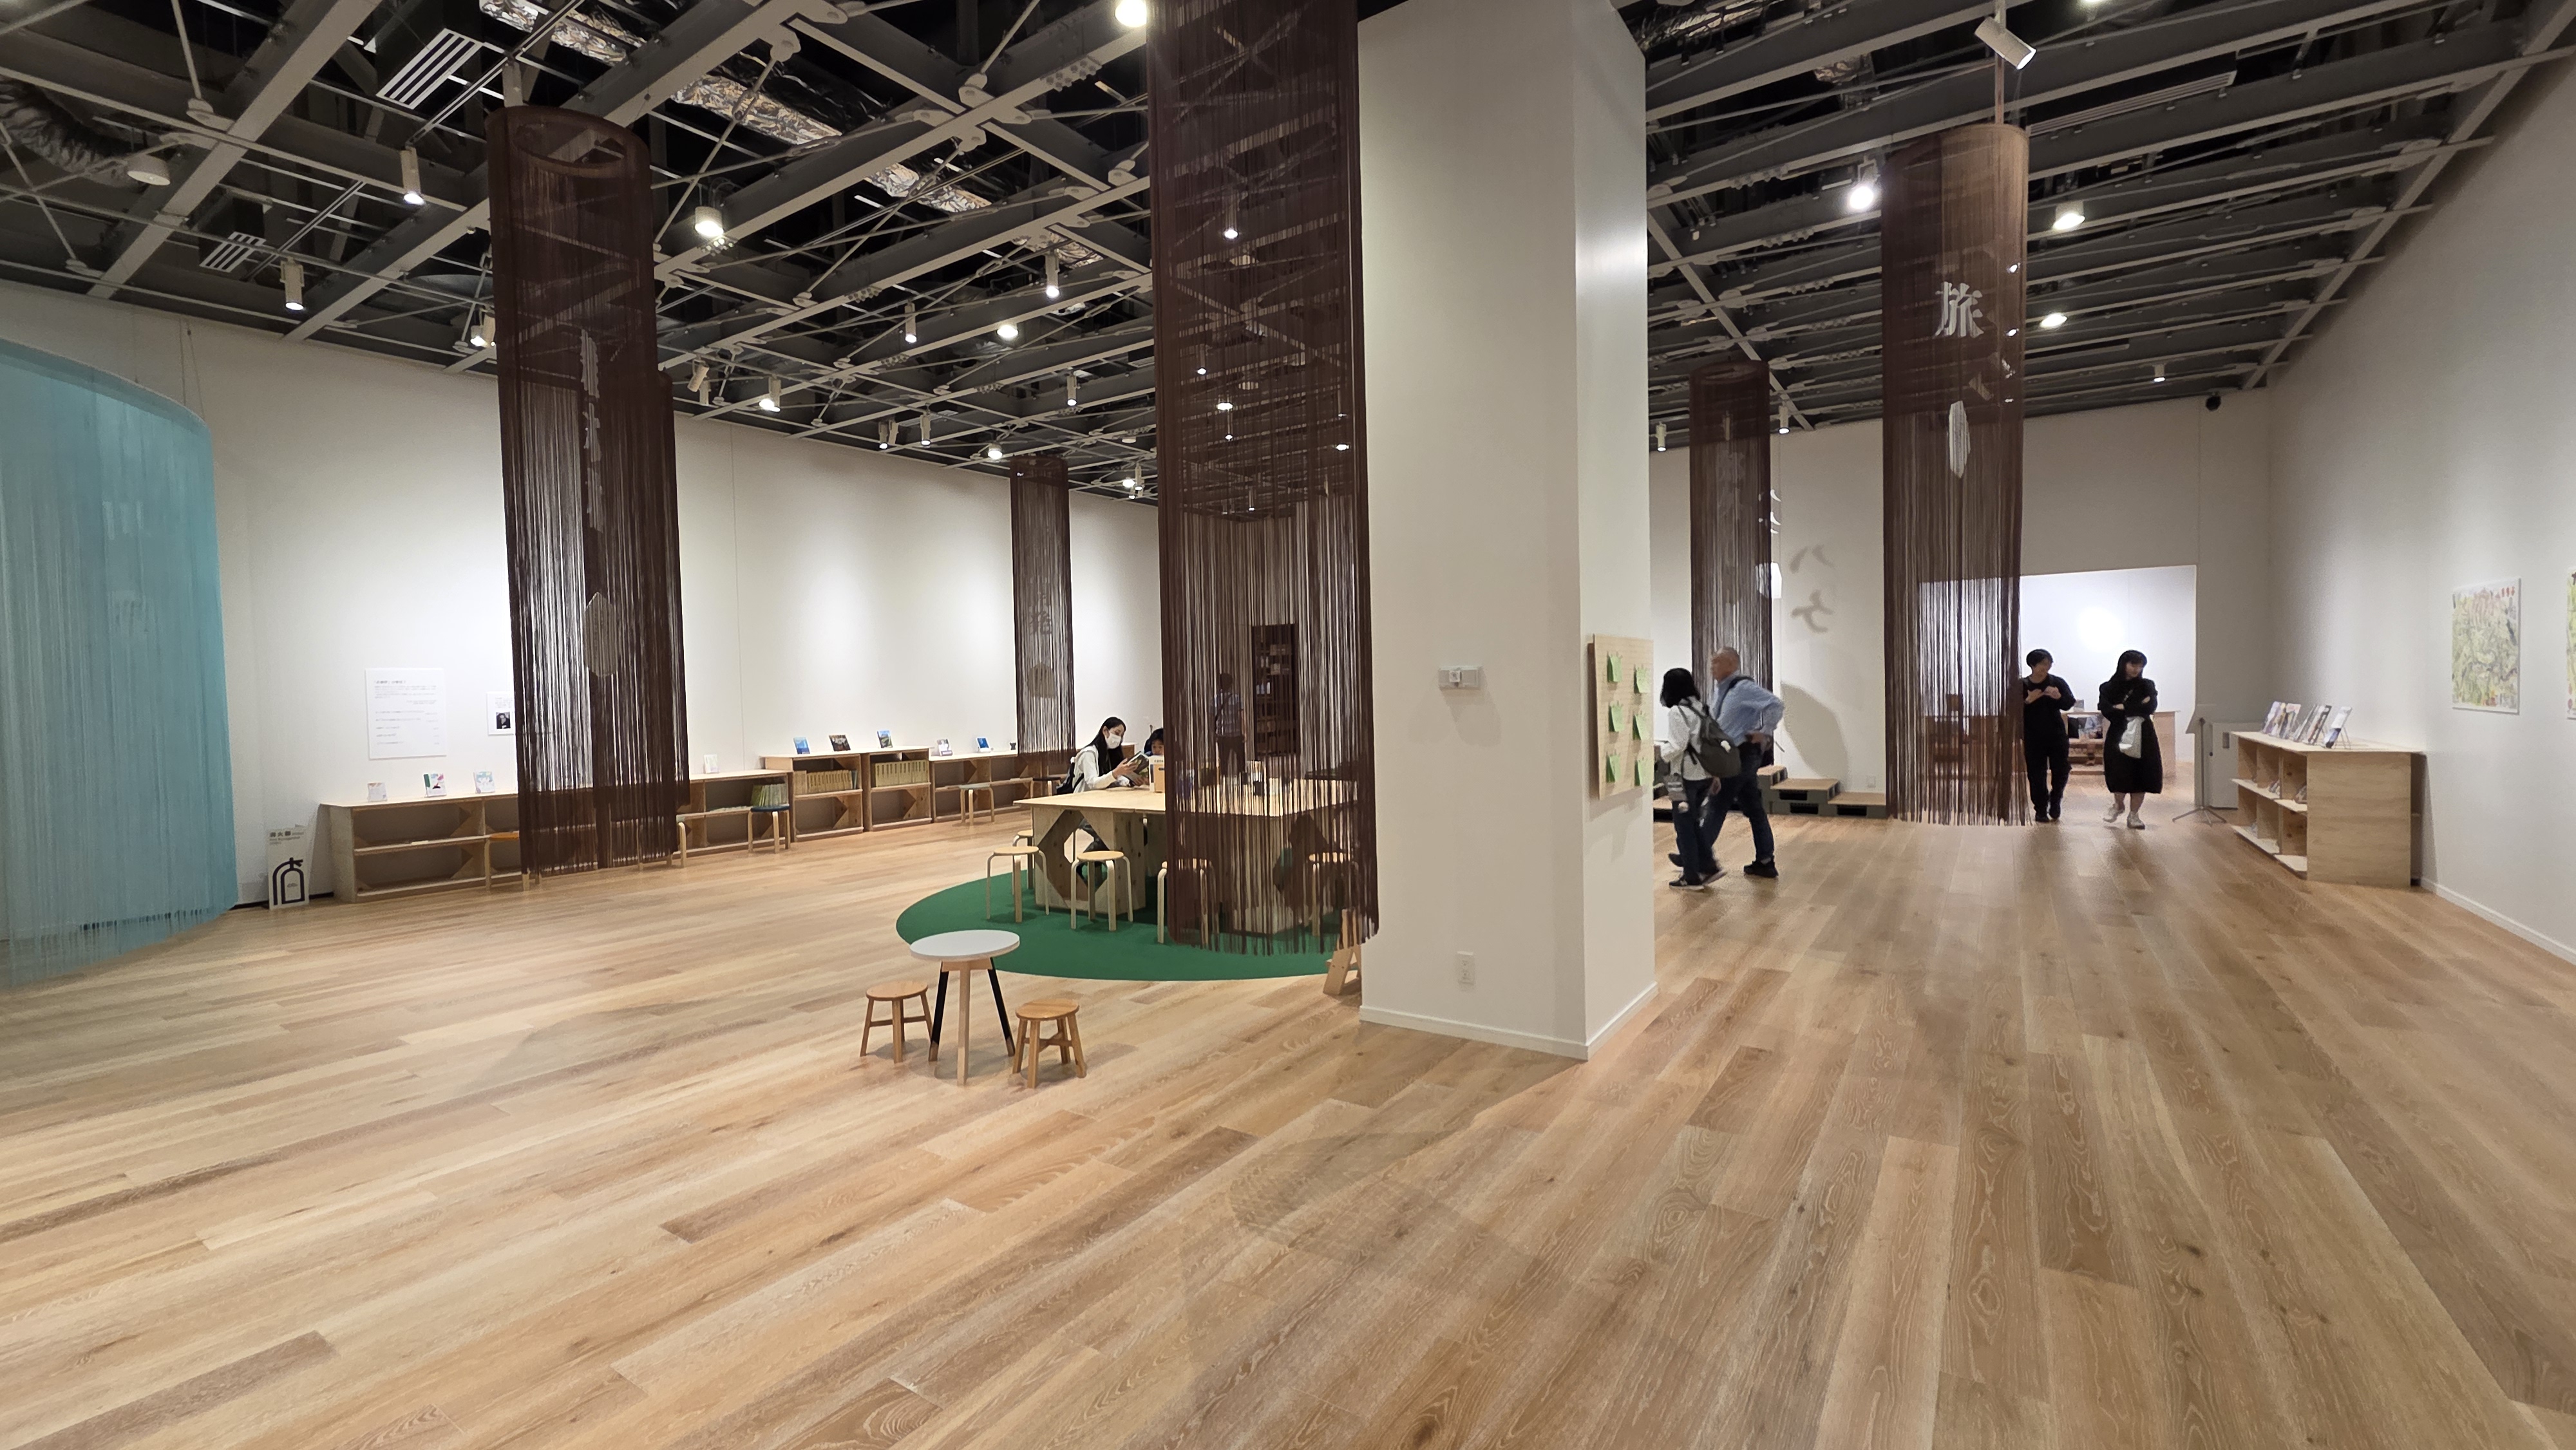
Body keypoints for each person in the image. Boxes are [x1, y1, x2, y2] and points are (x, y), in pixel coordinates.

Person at [1705, 647, 1783, 878]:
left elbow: (1775, 704)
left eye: (1717, 662)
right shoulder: (1721, 690)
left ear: (1731, 664)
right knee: (1754, 808)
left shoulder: (1742, 687)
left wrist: (1765, 731)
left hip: (1740, 754)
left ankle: (1698, 857)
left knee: (1717, 802)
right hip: (1734, 754)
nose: (1712, 667)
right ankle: (1765, 861)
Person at [1656, 668, 1721, 890]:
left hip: (1681, 777)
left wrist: (1658, 752)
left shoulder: (1677, 712)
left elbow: (1678, 745)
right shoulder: (1702, 708)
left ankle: (1691, 876)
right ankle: (1709, 865)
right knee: (1693, 822)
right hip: (1705, 774)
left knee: (1683, 826)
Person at [2098, 650, 2161, 829]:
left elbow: (2150, 707)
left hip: (2143, 732)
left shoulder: (2147, 685)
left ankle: (2134, 815)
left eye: (2140, 666)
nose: (2136, 669)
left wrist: (2123, 706)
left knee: (2142, 772)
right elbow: (2108, 711)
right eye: (2133, 664)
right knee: (2118, 770)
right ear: (2123, 664)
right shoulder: (2108, 687)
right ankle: (2118, 805)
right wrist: (2137, 705)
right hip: (2119, 731)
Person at [2020, 648, 2076, 822]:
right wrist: (2028, 701)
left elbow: (2069, 703)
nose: (2046, 667)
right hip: (2032, 736)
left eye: (2049, 664)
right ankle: (2041, 809)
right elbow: (2010, 709)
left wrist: (2058, 697)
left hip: (2057, 734)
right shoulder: (2022, 685)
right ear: (2032, 665)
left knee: (2061, 769)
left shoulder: (2057, 682)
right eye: (2042, 664)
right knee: (2036, 773)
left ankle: (2056, 799)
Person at [1212, 673, 1245, 778]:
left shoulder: (1215, 700)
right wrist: (1245, 732)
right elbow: (1241, 717)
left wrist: (1214, 733)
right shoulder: (1237, 699)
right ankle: (1242, 778)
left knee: (1223, 761)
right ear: (1231, 684)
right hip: (1236, 734)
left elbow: (1212, 718)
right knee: (1241, 759)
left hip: (1222, 735)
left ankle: (1224, 779)